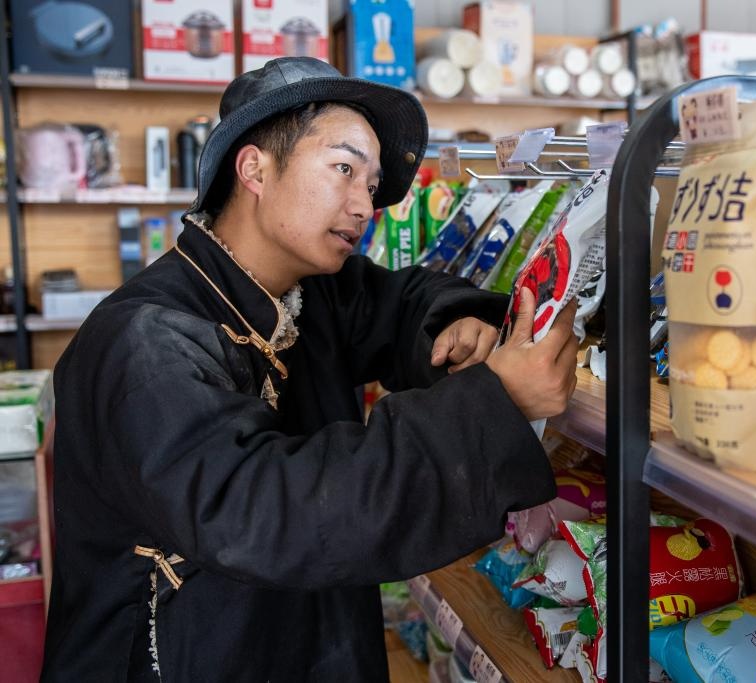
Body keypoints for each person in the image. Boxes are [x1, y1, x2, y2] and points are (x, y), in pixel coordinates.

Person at [42, 57, 580, 681]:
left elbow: (403, 300)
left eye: (371, 185)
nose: (364, 205)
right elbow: (269, 513)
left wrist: (457, 324)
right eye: (344, 169)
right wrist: (494, 405)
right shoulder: (145, 342)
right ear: (254, 169)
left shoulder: (307, 292)